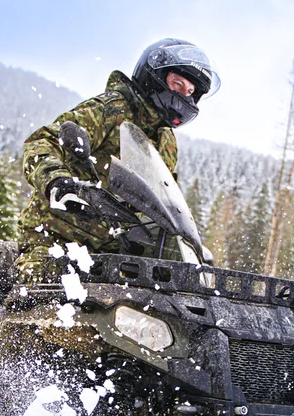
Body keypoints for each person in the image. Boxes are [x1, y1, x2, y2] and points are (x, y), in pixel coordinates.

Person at [15, 38, 220, 282]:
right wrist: (57, 182)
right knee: (46, 293)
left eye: (190, 92)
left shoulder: (167, 141)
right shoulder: (113, 109)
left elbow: (162, 201)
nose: (184, 96)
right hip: (56, 238)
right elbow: (42, 142)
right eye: (177, 84)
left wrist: (184, 243)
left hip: (114, 254)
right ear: (153, 75)